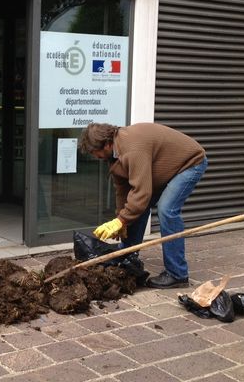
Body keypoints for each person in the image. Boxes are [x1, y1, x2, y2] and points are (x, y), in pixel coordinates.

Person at [79, 122, 208, 289]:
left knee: (166, 210)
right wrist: (121, 220)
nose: (95, 156)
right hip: (164, 168)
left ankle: (177, 274)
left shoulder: (132, 149)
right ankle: (127, 255)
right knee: (137, 207)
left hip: (189, 163)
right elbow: (123, 191)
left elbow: (142, 192)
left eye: (96, 152)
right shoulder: (113, 155)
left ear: (107, 143)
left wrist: (122, 220)